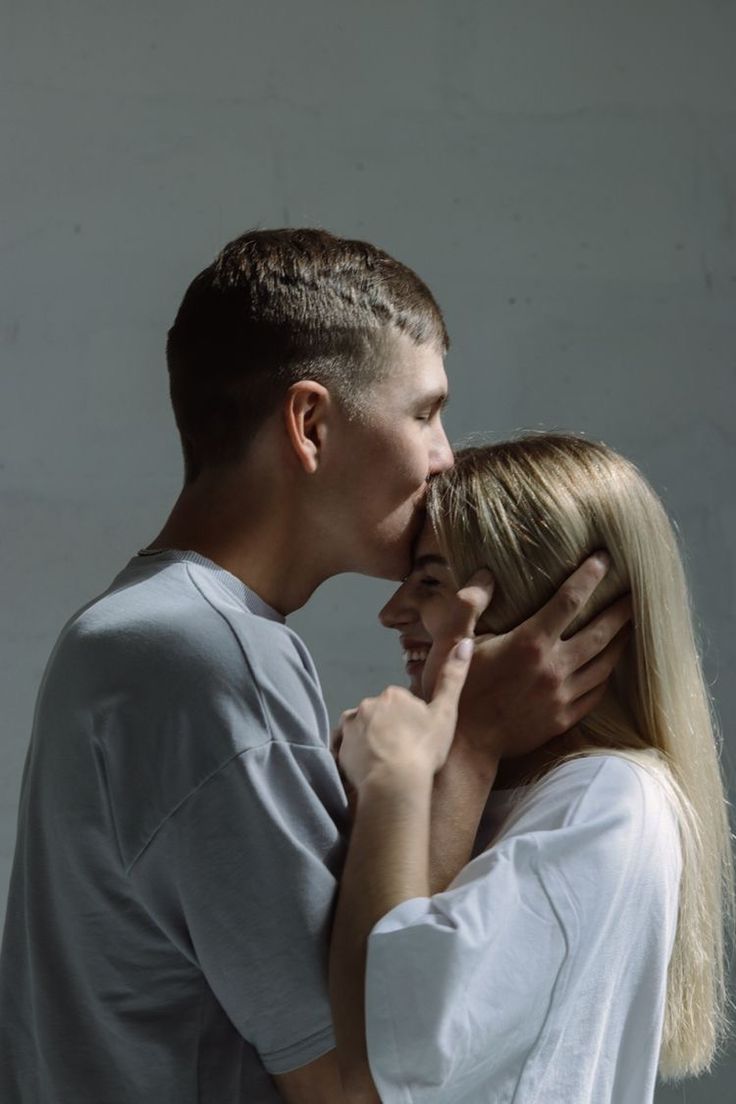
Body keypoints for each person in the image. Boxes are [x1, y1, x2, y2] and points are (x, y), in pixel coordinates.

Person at [0, 232, 629, 1104]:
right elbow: (359, 1079)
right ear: (310, 425)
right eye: (424, 413)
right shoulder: (211, 658)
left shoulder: (131, 630)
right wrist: (474, 743)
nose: (447, 455)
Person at [330, 433, 736, 1104]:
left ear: (541, 607)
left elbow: (388, 1060)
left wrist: (431, 764)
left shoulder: (611, 800)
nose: (391, 611)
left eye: (430, 582)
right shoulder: (504, 784)